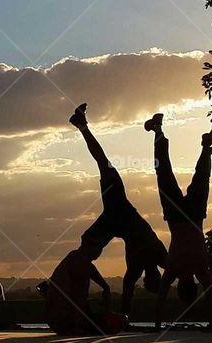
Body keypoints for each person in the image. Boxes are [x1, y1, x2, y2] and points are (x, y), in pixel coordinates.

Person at [70, 103, 167, 316]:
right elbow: (128, 290)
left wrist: (125, 316)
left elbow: (128, 289)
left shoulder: (150, 261)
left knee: (103, 163)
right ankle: (81, 125)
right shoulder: (157, 258)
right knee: (103, 163)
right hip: (117, 215)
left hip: (116, 214)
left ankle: (82, 126)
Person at [144, 113, 212, 331]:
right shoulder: (173, 268)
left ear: (194, 284)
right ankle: (158, 130)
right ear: (179, 285)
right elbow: (160, 299)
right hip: (176, 216)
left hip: (194, 216)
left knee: (202, 178)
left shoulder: (200, 268)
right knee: (163, 172)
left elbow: (211, 296)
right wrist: (157, 324)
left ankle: (206, 148)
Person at [42, 240, 127, 335]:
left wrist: (105, 287)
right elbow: (79, 298)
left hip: (59, 319)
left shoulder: (77, 258)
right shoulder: (79, 263)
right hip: (65, 320)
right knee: (119, 320)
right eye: (98, 248)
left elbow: (91, 270)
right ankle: (79, 326)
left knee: (119, 320)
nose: (99, 252)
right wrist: (80, 326)